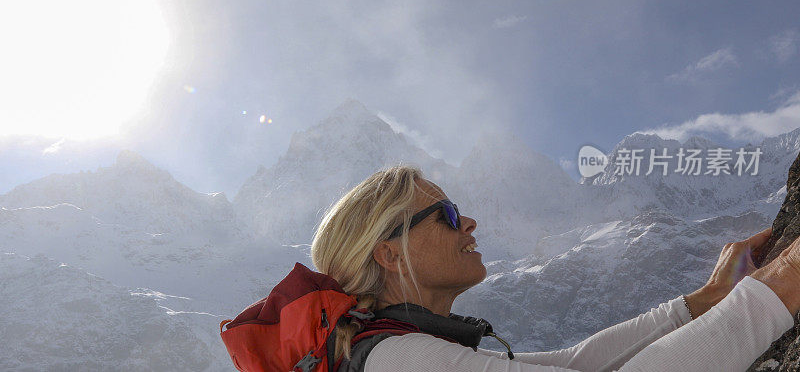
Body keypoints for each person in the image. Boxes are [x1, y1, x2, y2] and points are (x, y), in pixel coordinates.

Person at [310, 166, 800, 371]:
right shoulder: (399, 361)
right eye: (448, 215)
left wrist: (704, 301)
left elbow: (574, 362)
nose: (470, 222)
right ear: (389, 254)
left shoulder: (391, 349)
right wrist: (778, 286)